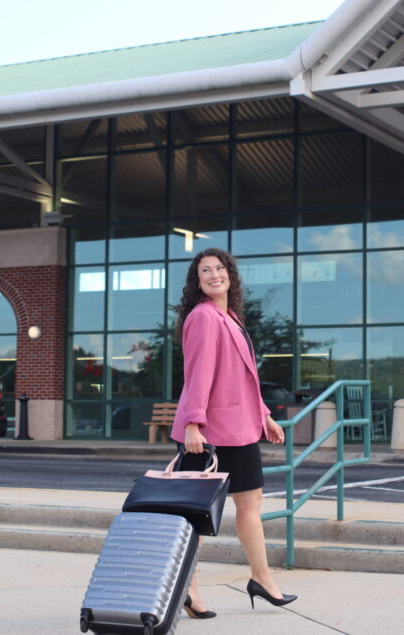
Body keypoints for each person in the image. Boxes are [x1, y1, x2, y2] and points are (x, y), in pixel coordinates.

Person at [170, 247, 297, 618]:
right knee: (194, 514)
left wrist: (265, 416)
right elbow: (198, 374)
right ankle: (188, 588)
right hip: (209, 433)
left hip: (241, 431)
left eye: (219, 268)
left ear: (230, 275)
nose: (214, 274)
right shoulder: (203, 317)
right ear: (197, 282)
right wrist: (193, 423)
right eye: (205, 270)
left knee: (250, 507)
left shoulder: (231, 318)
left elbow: (244, 378)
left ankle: (262, 579)